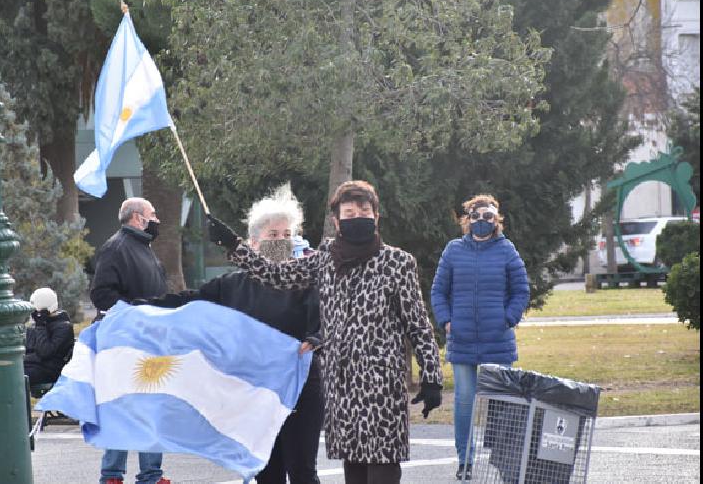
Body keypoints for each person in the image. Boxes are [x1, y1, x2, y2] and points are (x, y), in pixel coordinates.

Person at [208, 180, 443, 484]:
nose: (357, 216)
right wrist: (233, 245)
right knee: (354, 470)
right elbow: (275, 276)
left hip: (382, 385)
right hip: (341, 386)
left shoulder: (397, 262)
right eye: (348, 212)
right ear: (336, 221)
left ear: (376, 216)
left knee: (383, 468)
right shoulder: (324, 261)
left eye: (364, 210)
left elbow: (418, 324)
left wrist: (432, 377)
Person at [146, 184, 323, 484]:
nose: (281, 241)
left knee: (303, 470)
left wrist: (316, 335)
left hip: (300, 388)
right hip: (254, 389)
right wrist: (138, 307)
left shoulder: (306, 280)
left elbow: (321, 315)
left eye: (286, 235)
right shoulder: (231, 285)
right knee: (267, 472)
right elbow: (190, 302)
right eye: (273, 235)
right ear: (253, 243)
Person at [430, 194, 530, 481]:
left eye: (489, 217)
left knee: (502, 405)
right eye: (477, 216)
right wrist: (446, 320)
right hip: (461, 338)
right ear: (468, 220)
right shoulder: (453, 250)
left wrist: (507, 318)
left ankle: (504, 460)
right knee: (463, 400)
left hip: (497, 340)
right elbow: (438, 291)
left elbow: (521, 290)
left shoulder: (507, 250)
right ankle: (465, 460)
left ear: (496, 220)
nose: (482, 222)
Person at [90, 198, 172, 484]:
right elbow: (101, 295)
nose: (157, 219)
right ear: (137, 218)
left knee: (149, 407)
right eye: (153, 214)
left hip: (149, 340)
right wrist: (135, 318)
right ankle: (114, 474)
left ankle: (150, 474)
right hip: (127, 341)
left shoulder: (142, 248)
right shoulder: (116, 249)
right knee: (123, 406)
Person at [23, 287, 74, 385]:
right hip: (34, 366)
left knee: (19, 377)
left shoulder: (63, 327)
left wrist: (40, 325)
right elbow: (27, 350)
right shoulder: (38, 324)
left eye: (36, 311)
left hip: (49, 370)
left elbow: (44, 352)